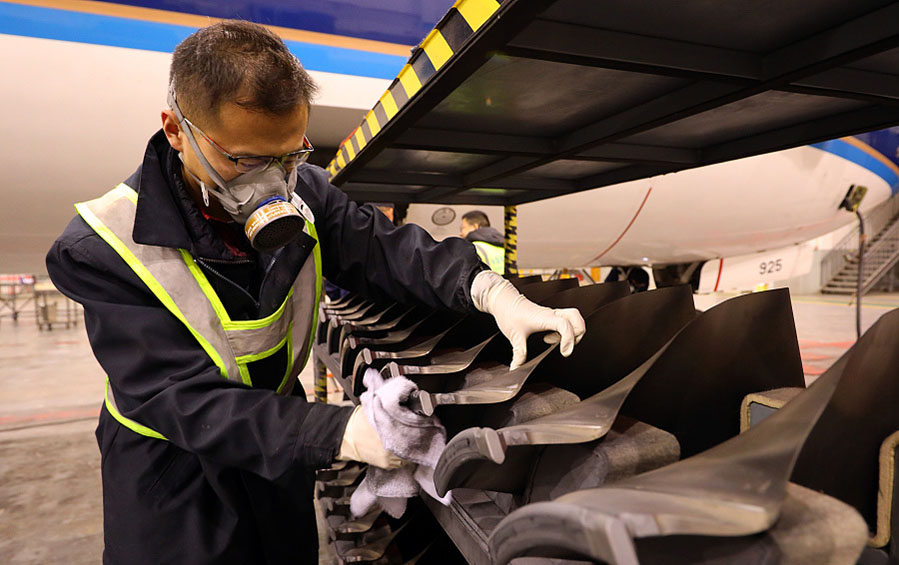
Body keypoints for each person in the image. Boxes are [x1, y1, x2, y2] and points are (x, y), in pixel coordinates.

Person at [45, 21, 585, 564]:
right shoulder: (102, 247)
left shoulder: (304, 194)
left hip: (278, 459)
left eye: (288, 156)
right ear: (176, 130)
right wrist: (339, 431)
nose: (271, 184)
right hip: (177, 481)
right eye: (245, 161)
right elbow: (178, 398)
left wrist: (486, 289)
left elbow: (385, 251)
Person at [459, 209, 505, 273]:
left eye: (462, 228)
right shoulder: (504, 246)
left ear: (475, 226)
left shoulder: (473, 249)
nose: (460, 233)